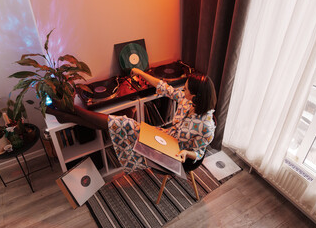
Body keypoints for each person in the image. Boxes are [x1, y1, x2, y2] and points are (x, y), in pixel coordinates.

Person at [47, 68, 217, 174]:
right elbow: (165, 87)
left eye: (186, 89)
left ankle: (71, 111)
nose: (183, 90)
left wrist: (187, 153)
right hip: (163, 137)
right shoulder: (188, 101)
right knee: (122, 124)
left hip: (172, 154)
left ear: (195, 95)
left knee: (122, 124)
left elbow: (200, 152)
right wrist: (140, 73)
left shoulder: (207, 126)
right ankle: (68, 114)